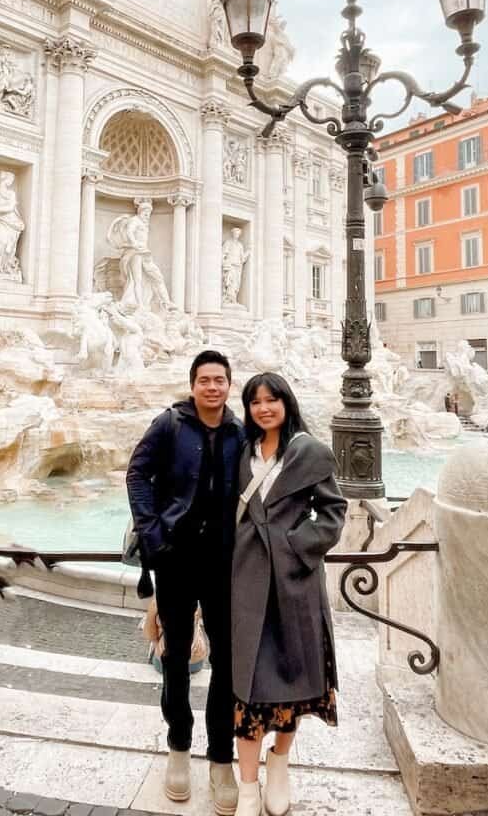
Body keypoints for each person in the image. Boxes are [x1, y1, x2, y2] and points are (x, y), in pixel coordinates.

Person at [126, 350, 245, 814]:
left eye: (219, 380)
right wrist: (152, 533)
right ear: (193, 385)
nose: (212, 387)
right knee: (175, 654)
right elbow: (137, 472)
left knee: (228, 661)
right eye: (204, 380)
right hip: (175, 557)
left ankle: (221, 758)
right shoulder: (169, 423)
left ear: (228, 385)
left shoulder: (239, 431)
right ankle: (178, 746)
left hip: (223, 559)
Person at [232, 373, 347, 816]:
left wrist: (296, 545)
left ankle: (278, 763)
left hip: (293, 584)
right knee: (247, 690)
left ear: (286, 403)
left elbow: (333, 512)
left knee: (291, 682)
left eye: (271, 400)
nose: (263, 408)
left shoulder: (308, 451)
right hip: (245, 581)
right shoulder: (241, 452)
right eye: (255, 402)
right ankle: (247, 786)